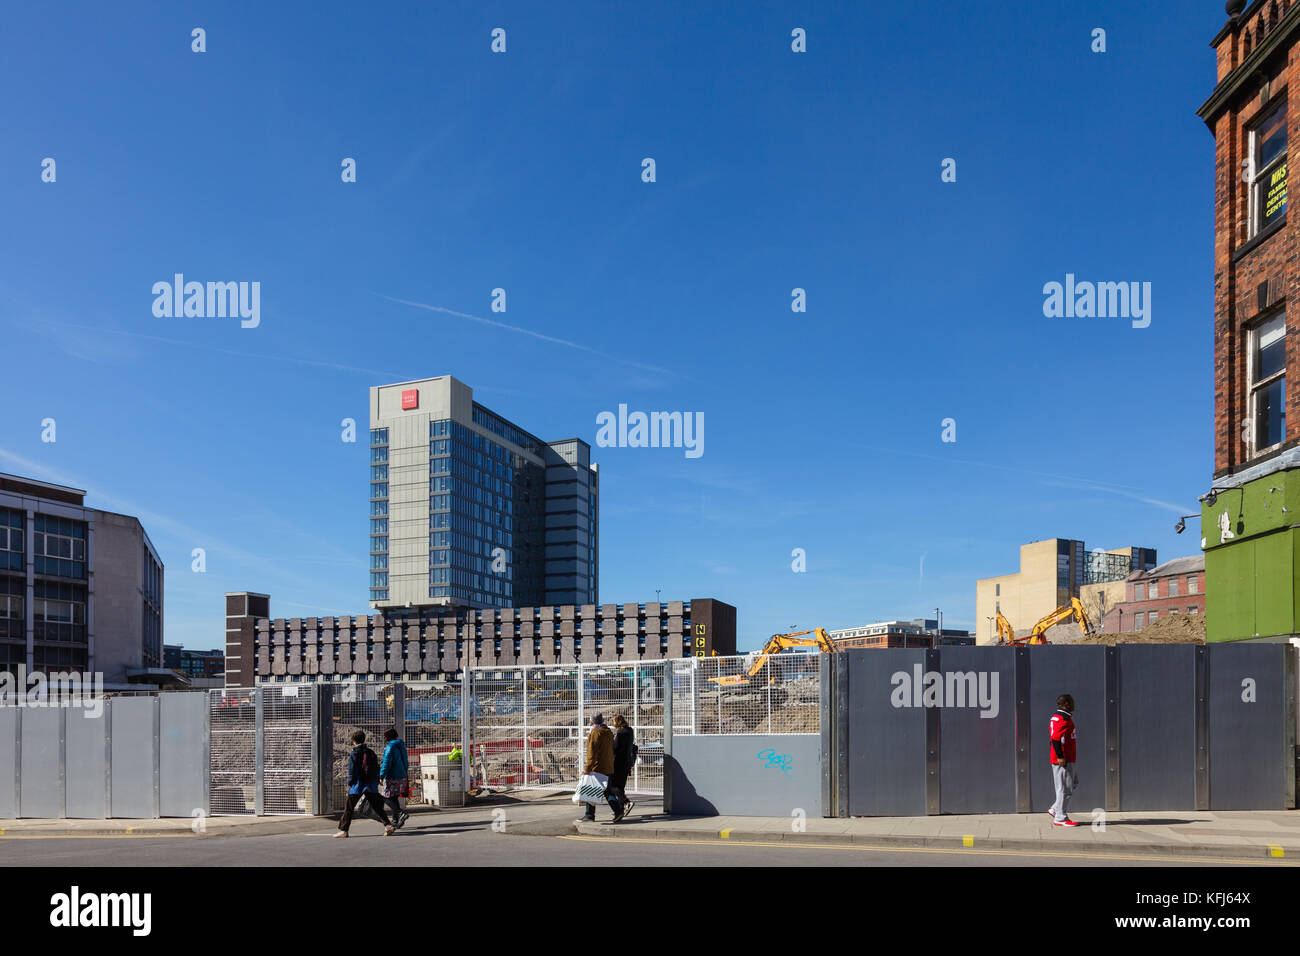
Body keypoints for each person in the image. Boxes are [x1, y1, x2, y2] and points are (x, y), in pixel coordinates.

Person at [335, 730, 395, 838]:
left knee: (349, 807)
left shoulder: (355, 753)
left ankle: (344, 830)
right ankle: (388, 826)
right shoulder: (371, 752)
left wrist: (350, 782)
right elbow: (376, 767)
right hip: (370, 784)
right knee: (377, 807)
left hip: (358, 784)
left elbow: (352, 769)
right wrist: (377, 779)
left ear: (354, 741)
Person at [576, 712, 619, 823]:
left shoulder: (595, 733)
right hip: (608, 766)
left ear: (591, 722)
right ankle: (618, 811)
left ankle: (589, 815)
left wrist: (587, 769)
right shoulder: (608, 732)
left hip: (598, 767)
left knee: (591, 789)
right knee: (608, 791)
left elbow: (592, 754)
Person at [1048, 694, 1079, 827]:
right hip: (1063, 760)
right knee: (1064, 789)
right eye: (1072, 702)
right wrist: (1060, 756)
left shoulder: (1059, 716)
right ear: (1066, 704)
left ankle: (1055, 809)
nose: (1074, 704)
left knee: (1073, 784)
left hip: (1068, 758)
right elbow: (1055, 738)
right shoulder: (1063, 718)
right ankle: (1060, 817)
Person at [379, 727, 410, 830]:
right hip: (401, 775)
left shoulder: (390, 747)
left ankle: (400, 813)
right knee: (393, 797)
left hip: (392, 776)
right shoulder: (401, 745)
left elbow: (386, 763)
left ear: (387, 737)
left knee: (385, 797)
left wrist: (381, 775)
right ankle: (396, 821)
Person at [608, 713, 636, 822]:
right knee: (620, 785)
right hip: (627, 762)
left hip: (619, 762)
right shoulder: (630, 730)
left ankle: (626, 802)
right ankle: (620, 809)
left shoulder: (620, 733)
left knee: (612, 786)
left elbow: (616, 748)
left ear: (617, 723)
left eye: (613, 723)